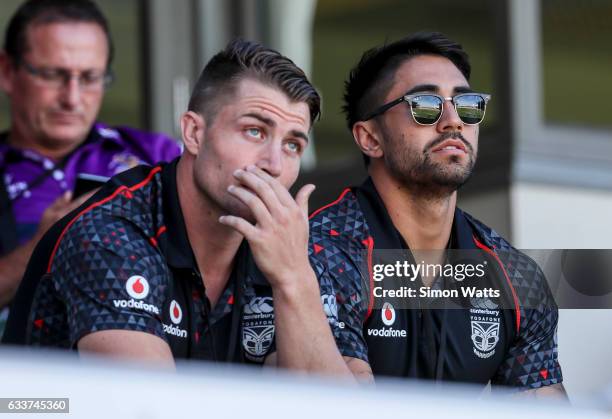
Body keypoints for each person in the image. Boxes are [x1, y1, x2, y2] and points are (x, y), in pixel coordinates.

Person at [3, 38, 355, 377]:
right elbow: (149, 406)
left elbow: (332, 406)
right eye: (254, 131)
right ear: (193, 134)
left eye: (293, 144)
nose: (274, 164)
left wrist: (293, 279)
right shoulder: (111, 233)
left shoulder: (291, 251)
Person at [308, 32, 567, 396]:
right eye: (425, 105)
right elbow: (345, 405)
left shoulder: (514, 276)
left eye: (468, 105)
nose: (453, 122)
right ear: (369, 138)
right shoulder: (322, 250)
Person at [0, 0, 181, 336]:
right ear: (8, 71)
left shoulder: (156, 154)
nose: (72, 97)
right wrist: (42, 245)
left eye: (90, 77)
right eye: (53, 75)